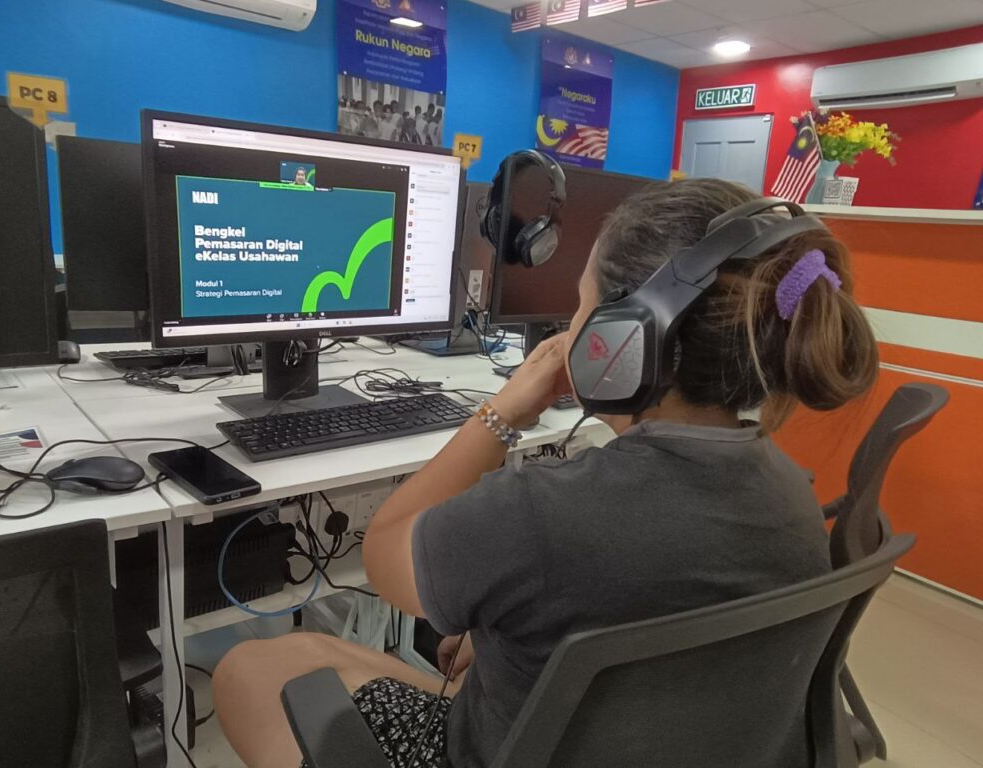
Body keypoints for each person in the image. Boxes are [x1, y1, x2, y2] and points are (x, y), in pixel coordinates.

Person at [212, 179, 879, 768]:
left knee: (251, 665)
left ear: (625, 336)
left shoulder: (539, 513)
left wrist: (503, 413)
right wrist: (510, 630)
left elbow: (386, 557)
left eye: (582, 304)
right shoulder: (791, 491)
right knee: (340, 654)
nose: (570, 326)